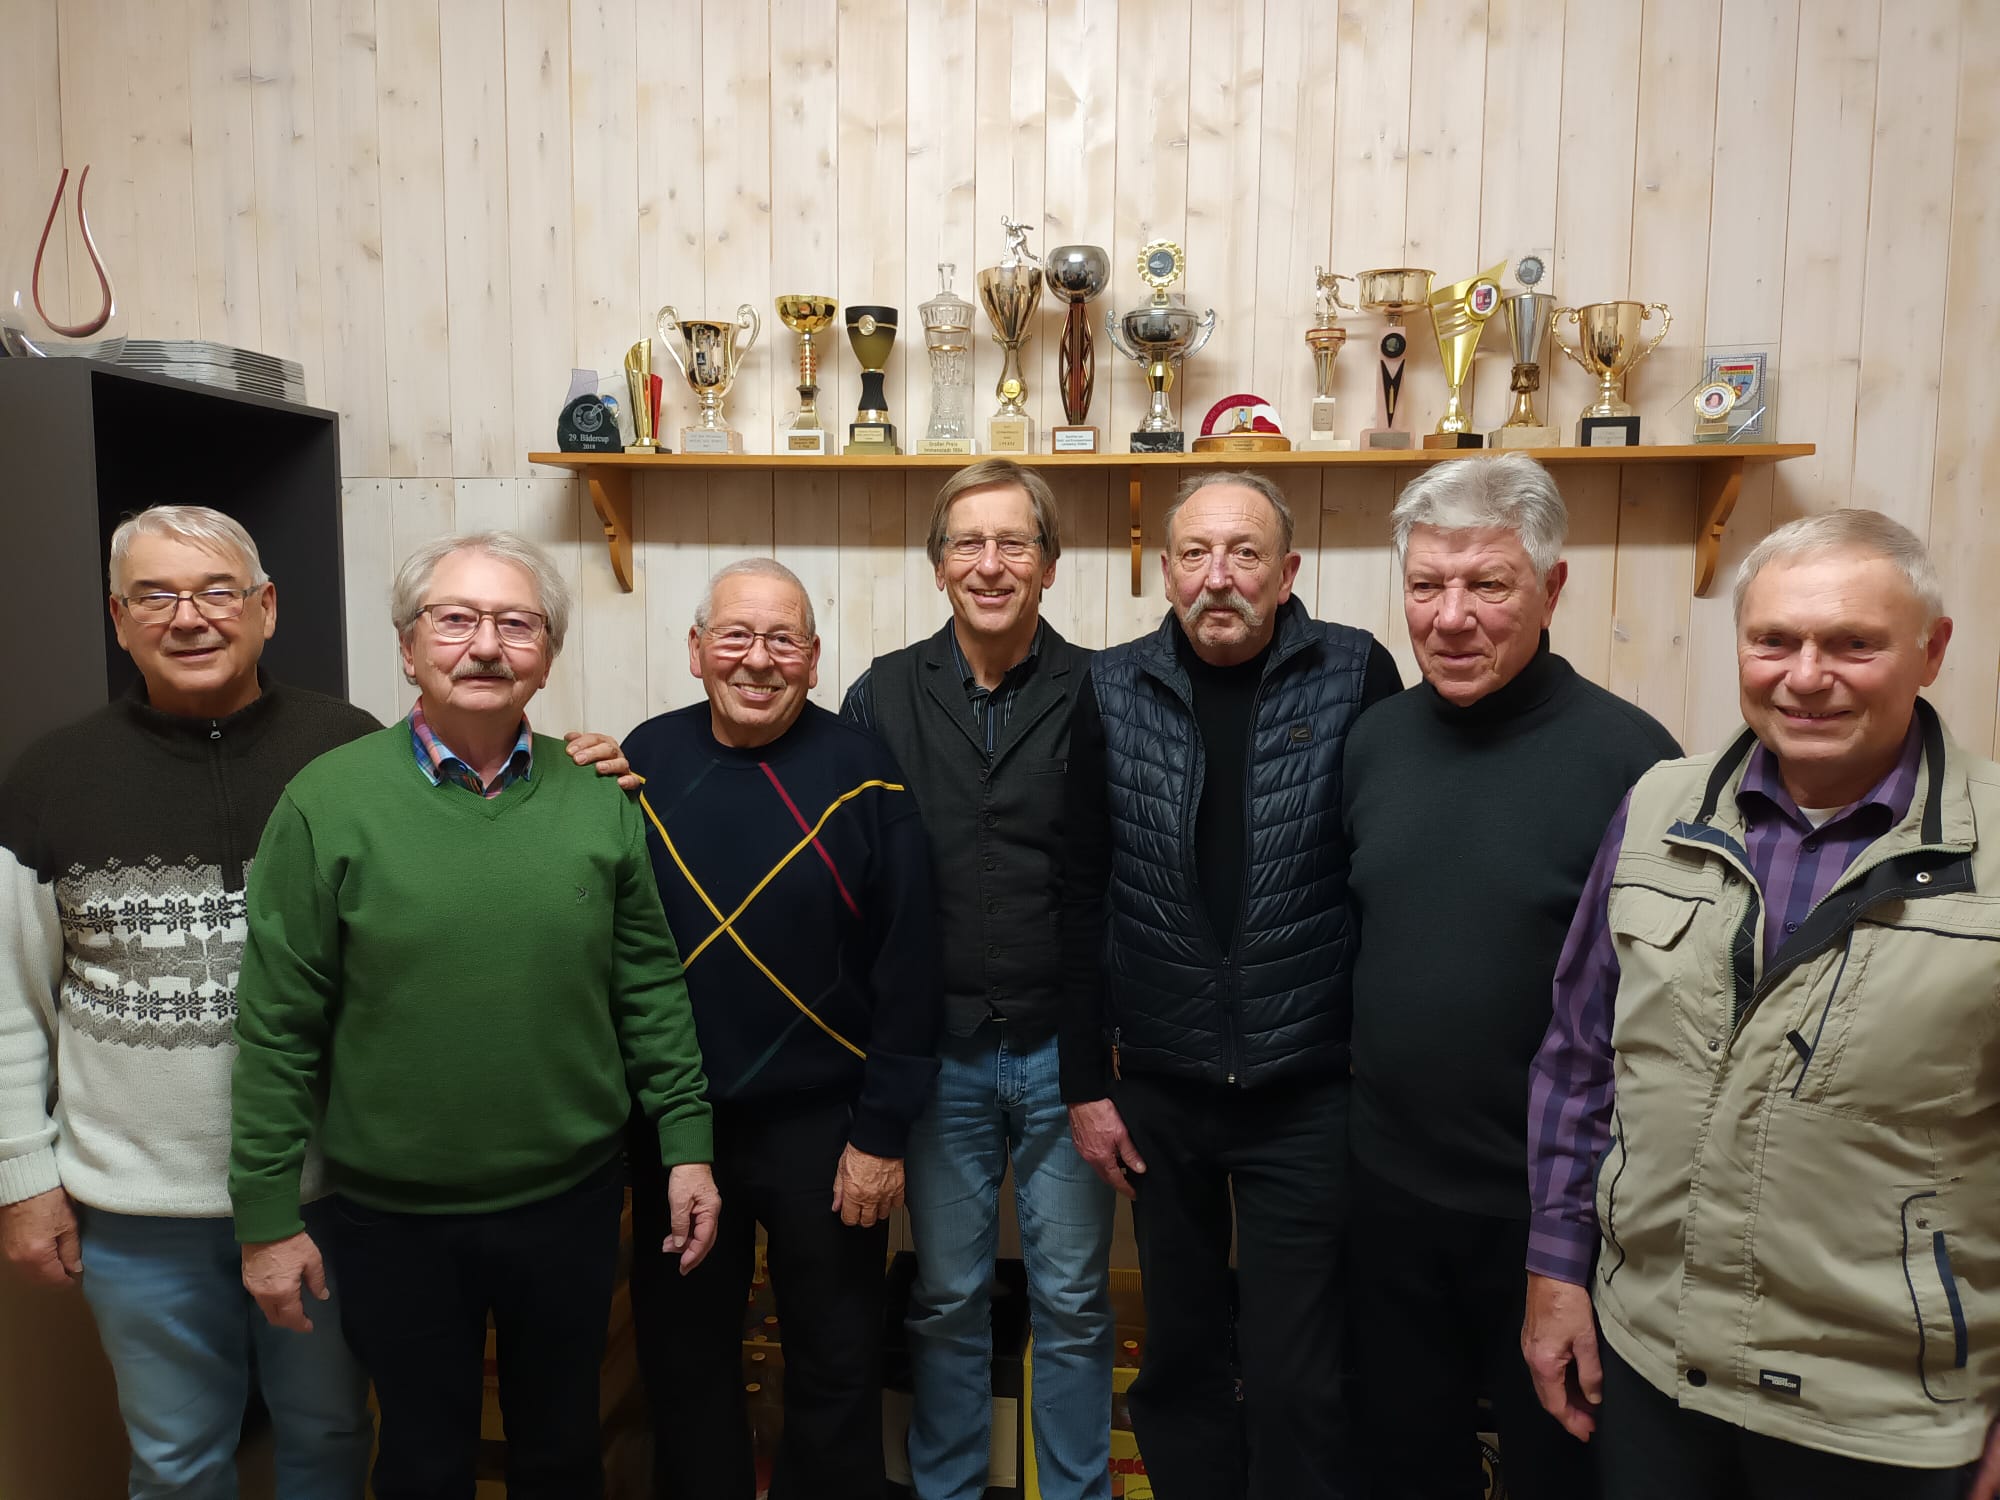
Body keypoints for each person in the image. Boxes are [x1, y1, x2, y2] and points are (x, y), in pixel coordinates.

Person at [228, 529, 716, 1500]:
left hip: (571, 1203)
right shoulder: (327, 801)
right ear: (409, 647)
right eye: (454, 620)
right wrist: (266, 1218)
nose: (485, 645)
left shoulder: (601, 799)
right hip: (392, 1218)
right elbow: (278, 1025)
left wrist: (687, 1145)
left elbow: (650, 988)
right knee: (421, 1463)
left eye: (515, 624)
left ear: (546, 655)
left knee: (561, 1455)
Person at [1525, 509, 2000, 1499]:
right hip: (1651, 1363)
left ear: (1932, 650)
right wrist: (1557, 1270)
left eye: (1853, 644)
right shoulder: (1659, 808)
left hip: (1886, 1413)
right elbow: (1580, 1059)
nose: (1805, 675)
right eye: (1773, 640)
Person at [1341, 454, 1678, 1500]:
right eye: (1424, 585)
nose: (1449, 618)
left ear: (1550, 588)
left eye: (1486, 585)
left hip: (1553, 1223)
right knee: (1400, 1469)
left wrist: (1570, 1244)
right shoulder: (1373, 742)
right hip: (1387, 1198)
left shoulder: (1636, 765)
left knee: (1552, 1475)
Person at [1060, 470, 1401, 1500]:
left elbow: (1388, 873)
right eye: (1196, 555)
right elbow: (1077, 890)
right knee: (1178, 1361)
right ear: (1165, 572)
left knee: (1300, 1374)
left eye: (1245, 554)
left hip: (1308, 1090)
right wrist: (1085, 1084)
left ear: (1286, 572)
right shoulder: (1109, 687)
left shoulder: (1356, 672)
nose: (1219, 577)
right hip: (1159, 1092)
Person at [622, 556, 939, 1500]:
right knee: (684, 1362)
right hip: (680, 1125)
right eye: (735, 636)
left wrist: (881, 1134)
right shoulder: (644, 760)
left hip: (827, 1130)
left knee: (836, 1364)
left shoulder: (863, 772)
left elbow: (912, 964)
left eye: (782, 640)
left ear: (812, 657)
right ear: (695, 650)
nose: (757, 660)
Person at [844, 460, 1116, 1500]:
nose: (990, 563)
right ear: (937, 565)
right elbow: (846, 866)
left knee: (1074, 1304)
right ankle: (949, 1488)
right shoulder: (879, 693)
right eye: (968, 543)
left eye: (1014, 543)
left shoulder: (1105, 689)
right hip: (937, 1055)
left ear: (1049, 564)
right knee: (947, 1299)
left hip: (1065, 1056)